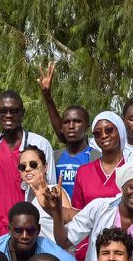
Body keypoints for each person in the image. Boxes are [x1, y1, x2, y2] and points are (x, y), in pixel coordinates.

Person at [55, 162, 133, 261]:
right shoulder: (99, 208)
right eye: (132, 187)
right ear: (122, 186)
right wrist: (56, 211)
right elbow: (65, 241)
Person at [0, 90, 55, 237]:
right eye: (3, 111)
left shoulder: (40, 144)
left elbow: (51, 188)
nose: (8, 115)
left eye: (14, 111)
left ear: (23, 112)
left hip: (29, 232)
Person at [37, 62, 93, 197]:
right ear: (61, 128)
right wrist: (47, 95)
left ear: (87, 127)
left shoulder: (96, 157)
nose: (71, 126)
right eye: (67, 122)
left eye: (77, 122)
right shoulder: (54, 157)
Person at [72, 111, 127, 208]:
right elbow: (77, 213)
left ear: (120, 130)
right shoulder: (84, 172)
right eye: (97, 133)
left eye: (109, 130)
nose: (104, 135)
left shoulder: (131, 166)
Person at [19, 145, 75, 241]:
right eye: (23, 166)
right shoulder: (28, 196)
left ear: (45, 167)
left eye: (33, 164)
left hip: (59, 252)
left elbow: (71, 223)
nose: (27, 169)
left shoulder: (54, 191)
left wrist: (55, 209)